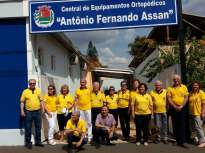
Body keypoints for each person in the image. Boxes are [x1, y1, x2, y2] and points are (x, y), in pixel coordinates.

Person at [20, 79, 44, 149]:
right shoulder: (25, 91)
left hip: (37, 112)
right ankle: (28, 143)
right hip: (28, 112)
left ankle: (38, 142)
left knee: (38, 128)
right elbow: (22, 102)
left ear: (35, 84)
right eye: (31, 83)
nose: (32, 84)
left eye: (34, 83)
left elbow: (41, 101)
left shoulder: (38, 91)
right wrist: (22, 111)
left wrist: (43, 109)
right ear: (29, 84)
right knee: (28, 128)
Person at [167, 74, 189, 147]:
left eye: (177, 79)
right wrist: (174, 106)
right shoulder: (170, 88)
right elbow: (169, 98)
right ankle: (176, 139)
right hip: (173, 108)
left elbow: (186, 97)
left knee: (182, 124)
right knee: (175, 124)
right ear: (173, 80)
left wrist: (181, 106)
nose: (176, 80)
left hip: (182, 108)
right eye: (174, 79)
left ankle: (182, 140)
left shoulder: (184, 87)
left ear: (179, 80)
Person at [189, 81, 205, 148]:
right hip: (191, 113)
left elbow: (204, 104)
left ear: (199, 86)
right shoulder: (191, 93)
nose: (195, 86)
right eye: (194, 85)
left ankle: (203, 141)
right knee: (194, 128)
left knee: (198, 127)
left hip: (198, 113)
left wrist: (203, 113)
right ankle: (197, 139)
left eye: (196, 85)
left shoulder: (201, 93)